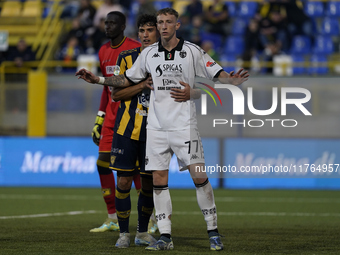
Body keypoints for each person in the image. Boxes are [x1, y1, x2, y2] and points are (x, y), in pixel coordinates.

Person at [76, 7, 249, 251]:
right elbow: (126, 79)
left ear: (177, 25)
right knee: (158, 181)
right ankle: (165, 237)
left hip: (184, 126)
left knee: (199, 177)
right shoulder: (148, 56)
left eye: (168, 22)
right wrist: (99, 80)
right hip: (156, 128)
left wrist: (229, 80)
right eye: (160, 22)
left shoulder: (192, 51)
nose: (164, 26)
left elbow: (214, 74)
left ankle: (213, 231)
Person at [89, 11, 141, 233]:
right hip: (110, 117)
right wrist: (99, 118)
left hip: (131, 116)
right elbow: (106, 88)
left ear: (122, 26)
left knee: (135, 169)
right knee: (102, 163)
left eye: (112, 23)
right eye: (106, 22)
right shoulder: (102, 50)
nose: (107, 26)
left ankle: (154, 218)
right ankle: (111, 217)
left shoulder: (136, 49)